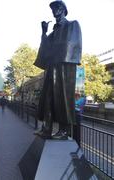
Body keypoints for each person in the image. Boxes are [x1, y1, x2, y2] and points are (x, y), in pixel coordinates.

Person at [34, 0, 82, 139]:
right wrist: (44, 33)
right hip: (51, 67)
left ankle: (64, 131)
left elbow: (72, 45)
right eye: (53, 8)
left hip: (64, 67)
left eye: (57, 7)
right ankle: (47, 129)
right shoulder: (53, 32)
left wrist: (56, 55)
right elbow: (45, 48)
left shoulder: (72, 25)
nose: (54, 10)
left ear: (63, 9)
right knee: (48, 98)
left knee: (63, 98)